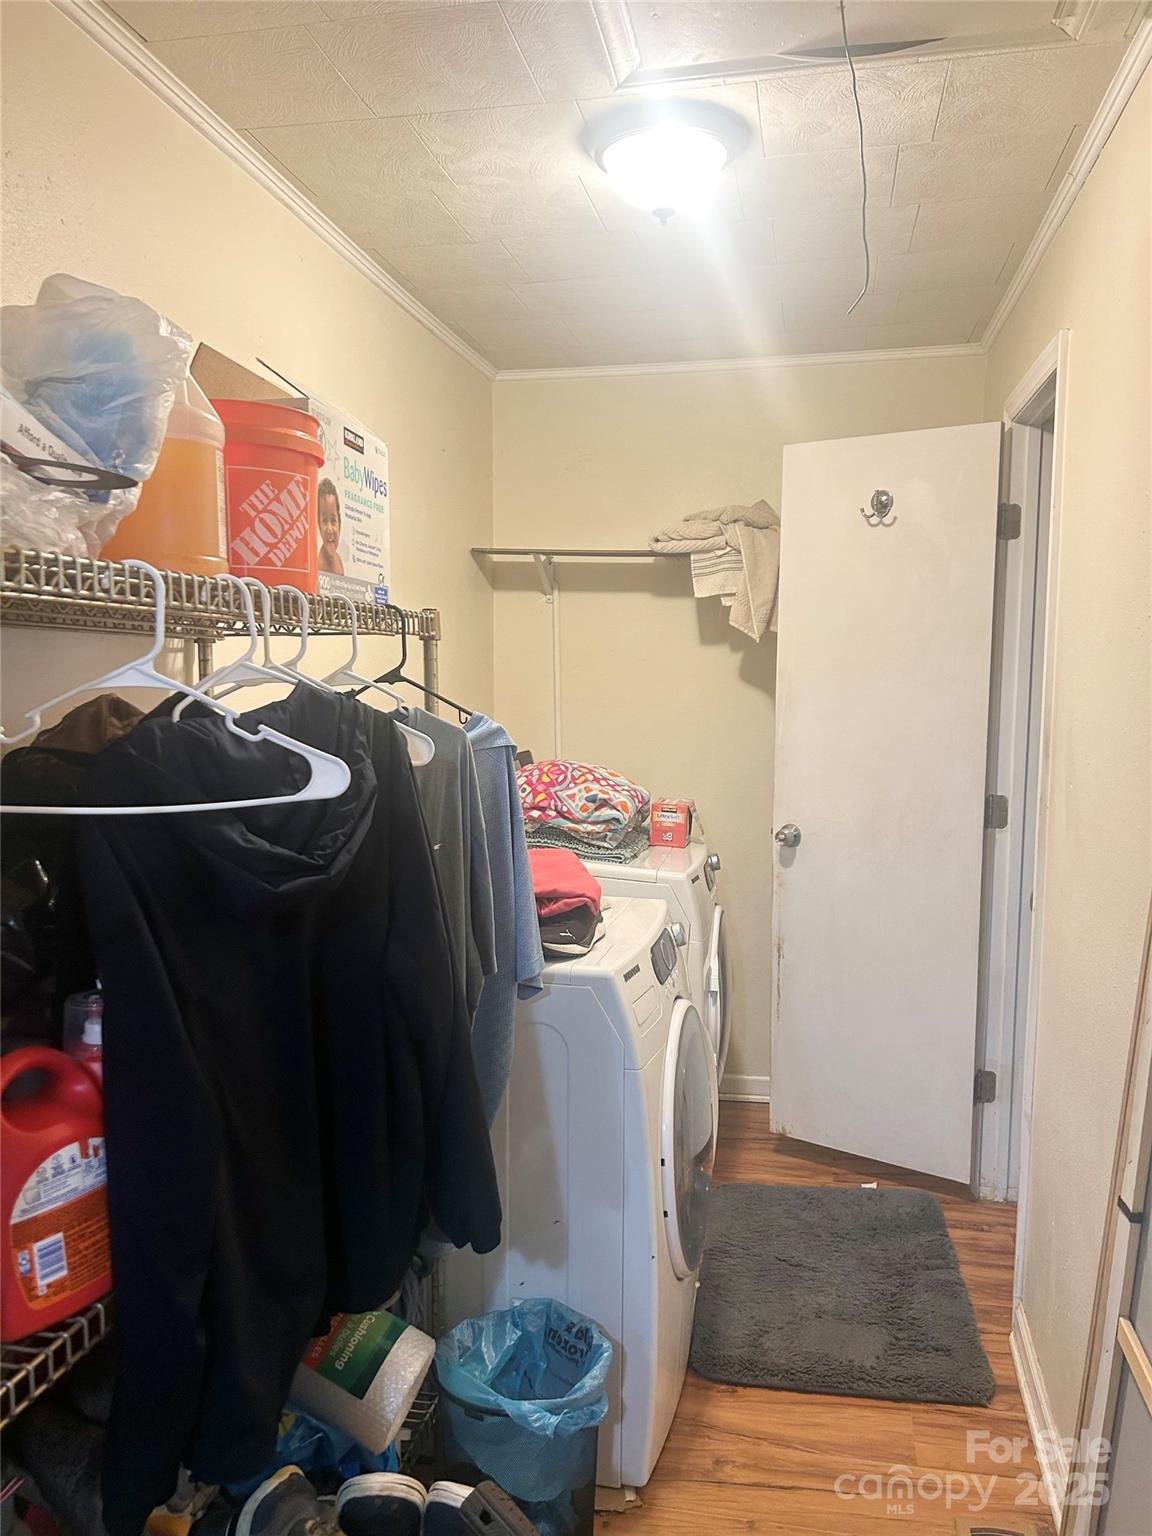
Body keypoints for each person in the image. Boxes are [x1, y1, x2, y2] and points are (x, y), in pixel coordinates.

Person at [317, 478, 345, 575]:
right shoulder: (320, 565)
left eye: (333, 521)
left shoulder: (338, 560)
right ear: (319, 525)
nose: (330, 529)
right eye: (324, 521)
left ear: (339, 522)